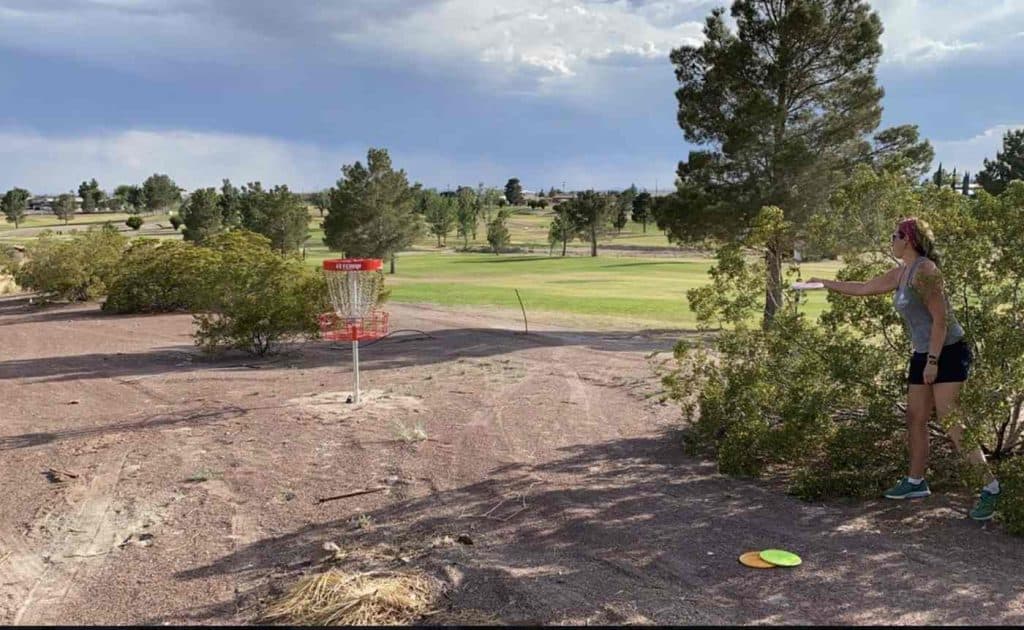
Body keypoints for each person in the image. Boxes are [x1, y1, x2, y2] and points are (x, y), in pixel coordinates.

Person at [809, 217, 1000, 521]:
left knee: (952, 421)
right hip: (924, 353)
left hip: (947, 352)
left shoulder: (925, 271)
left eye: (895, 235)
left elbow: (941, 320)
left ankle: (991, 488)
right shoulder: (902, 273)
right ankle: (915, 482)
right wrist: (823, 283)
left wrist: (933, 362)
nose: (891, 239)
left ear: (908, 239)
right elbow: (862, 288)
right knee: (915, 417)